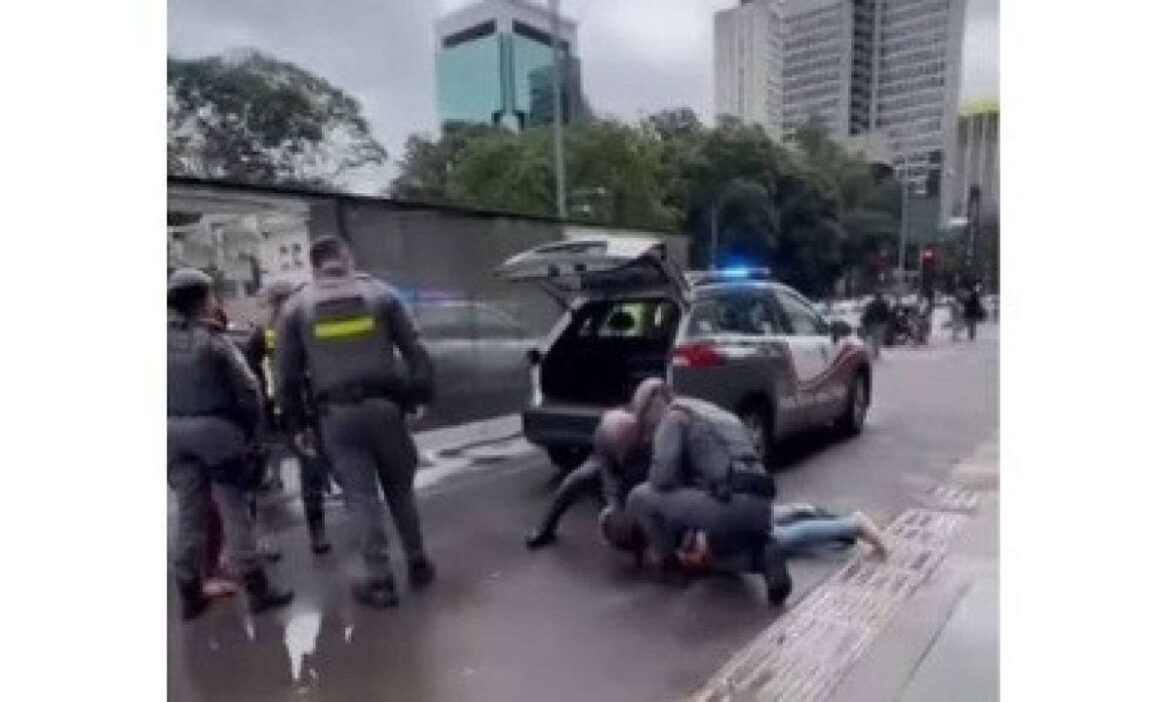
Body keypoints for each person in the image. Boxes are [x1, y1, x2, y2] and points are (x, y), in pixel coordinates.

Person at [275, 236, 436, 609]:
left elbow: (285, 375)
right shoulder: (381, 294)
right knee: (400, 489)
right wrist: (418, 398)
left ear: (313, 265)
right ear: (348, 258)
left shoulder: (296, 306)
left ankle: (380, 581)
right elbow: (416, 350)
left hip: (337, 417)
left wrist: (297, 424)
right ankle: (418, 562)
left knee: (360, 498)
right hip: (386, 409)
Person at [625, 379, 887, 606]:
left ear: (651, 407)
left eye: (643, 420)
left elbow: (662, 480)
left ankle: (670, 567)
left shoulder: (672, 419)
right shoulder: (707, 411)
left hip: (728, 502)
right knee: (737, 549)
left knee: (641, 495)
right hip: (758, 496)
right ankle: (788, 548)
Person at [167, 268, 294, 621]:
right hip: (217, 436)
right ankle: (258, 588)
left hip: (171, 438)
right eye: (211, 296)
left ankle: (189, 592)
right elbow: (249, 391)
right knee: (234, 509)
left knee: (191, 516)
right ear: (201, 301)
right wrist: (254, 435)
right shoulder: (213, 341)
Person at [247, 279, 333, 556]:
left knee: (307, 465)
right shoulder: (305, 320)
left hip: (281, 405)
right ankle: (319, 531)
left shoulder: (264, 331)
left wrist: (263, 395)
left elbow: (250, 367)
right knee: (316, 466)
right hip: (313, 401)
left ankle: (314, 532)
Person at [524, 408, 650, 549]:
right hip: (606, 459)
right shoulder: (603, 434)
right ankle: (546, 528)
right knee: (574, 481)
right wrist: (615, 509)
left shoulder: (647, 433)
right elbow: (609, 479)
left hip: (640, 461)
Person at [861, 292, 892, 359]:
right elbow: (866, 314)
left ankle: (876, 351)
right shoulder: (873, 305)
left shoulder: (883, 305)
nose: (878, 299)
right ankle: (875, 351)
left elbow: (887, 314)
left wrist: (886, 322)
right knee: (875, 338)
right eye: (878, 297)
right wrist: (865, 322)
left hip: (879, 323)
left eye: (879, 297)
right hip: (874, 323)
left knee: (878, 338)